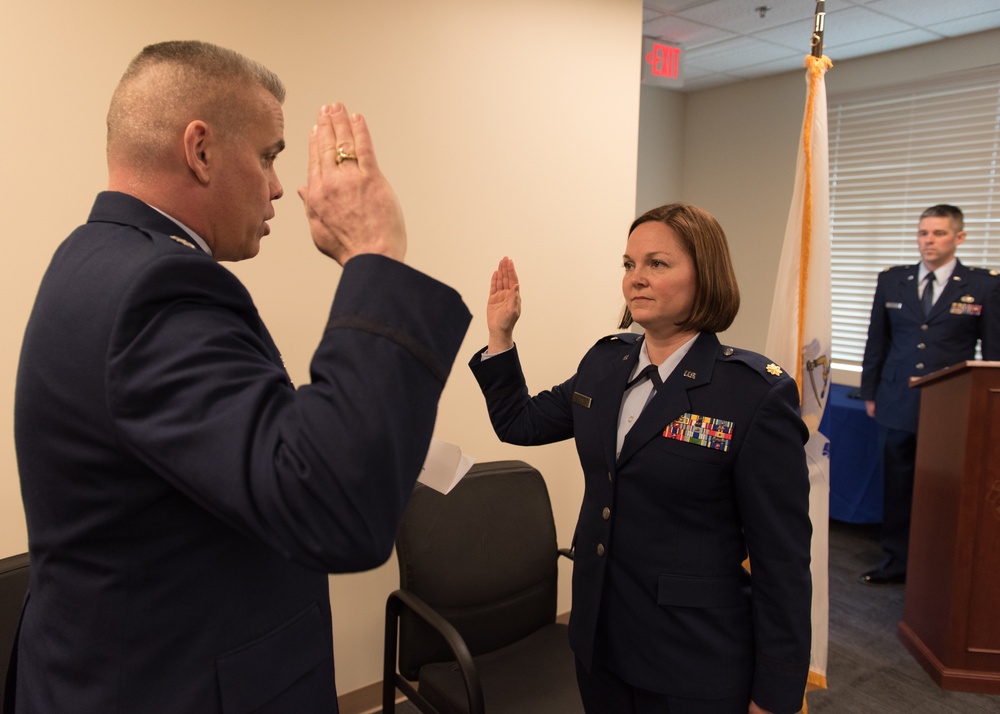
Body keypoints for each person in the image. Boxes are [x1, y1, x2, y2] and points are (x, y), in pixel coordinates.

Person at [8, 41, 470, 713]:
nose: (279, 185)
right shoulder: (158, 288)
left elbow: (231, 449)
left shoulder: (94, 255)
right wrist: (375, 255)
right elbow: (336, 509)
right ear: (199, 150)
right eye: (268, 155)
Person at [470, 203, 812, 714]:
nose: (637, 279)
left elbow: (782, 561)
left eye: (658, 264)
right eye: (629, 265)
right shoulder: (605, 364)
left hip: (691, 657)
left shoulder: (753, 395)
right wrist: (501, 336)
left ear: (706, 275)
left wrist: (776, 693)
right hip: (600, 641)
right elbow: (520, 423)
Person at [859, 204, 1000, 585]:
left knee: (944, 490)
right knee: (898, 485)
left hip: (950, 407)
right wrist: (870, 392)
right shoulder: (893, 280)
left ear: (959, 237)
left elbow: (993, 353)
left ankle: (940, 567)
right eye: (923, 233)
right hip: (895, 400)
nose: (928, 241)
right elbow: (877, 341)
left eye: (938, 233)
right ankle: (896, 561)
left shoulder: (983, 284)